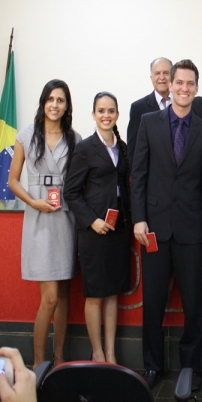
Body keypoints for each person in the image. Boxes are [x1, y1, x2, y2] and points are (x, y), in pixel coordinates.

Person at [131, 59, 202, 390]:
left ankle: (190, 368)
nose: (183, 88)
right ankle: (152, 366)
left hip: (192, 229)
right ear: (170, 84)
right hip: (153, 228)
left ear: (197, 88)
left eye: (189, 83)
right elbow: (138, 174)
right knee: (153, 302)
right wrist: (139, 218)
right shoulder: (148, 122)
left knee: (193, 304)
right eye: (178, 82)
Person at [8, 79, 81, 369]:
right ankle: (38, 364)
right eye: (50, 99)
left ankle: (59, 356)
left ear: (67, 106)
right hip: (38, 220)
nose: (55, 105)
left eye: (60, 100)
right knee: (49, 298)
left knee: (63, 294)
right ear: (43, 102)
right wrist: (33, 202)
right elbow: (13, 180)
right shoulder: (26, 135)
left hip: (65, 218)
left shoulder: (74, 138)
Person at [64, 92, 131, 364]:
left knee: (113, 293)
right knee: (95, 295)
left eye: (111, 111)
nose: (106, 115)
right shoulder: (85, 148)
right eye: (101, 111)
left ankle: (111, 353)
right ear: (93, 114)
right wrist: (92, 220)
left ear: (117, 115)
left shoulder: (122, 147)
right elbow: (71, 192)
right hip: (94, 232)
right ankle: (97, 353)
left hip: (119, 230)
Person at [127, 57, 172, 162]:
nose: (162, 77)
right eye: (157, 73)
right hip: (151, 170)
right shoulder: (138, 108)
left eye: (166, 73)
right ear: (151, 78)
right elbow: (133, 150)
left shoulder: (183, 104)